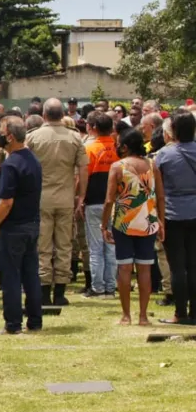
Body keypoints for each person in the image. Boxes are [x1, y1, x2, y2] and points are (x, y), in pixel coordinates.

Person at [25, 98, 89, 306]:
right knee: (64, 245)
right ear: (63, 115)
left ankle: (44, 290)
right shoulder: (75, 138)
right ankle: (60, 292)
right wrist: (81, 196)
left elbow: (24, 167)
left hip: (40, 199)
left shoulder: (33, 137)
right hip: (65, 198)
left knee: (42, 245)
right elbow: (83, 169)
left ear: (44, 115)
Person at [102, 128, 164, 326]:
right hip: (147, 221)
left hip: (123, 222)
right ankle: (143, 316)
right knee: (145, 269)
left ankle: (126, 315)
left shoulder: (117, 167)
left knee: (125, 268)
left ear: (126, 146)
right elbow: (160, 196)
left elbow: (109, 200)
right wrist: (161, 220)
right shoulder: (152, 165)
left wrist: (104, 225)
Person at [0, 116, 44, 334]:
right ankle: (35, 320)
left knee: (10, 276)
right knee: (30, 274)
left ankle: (13, 324)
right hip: (31, 224)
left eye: (2, 131)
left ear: (10, 136)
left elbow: (6, 201)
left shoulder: (11, 164)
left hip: (13, 227)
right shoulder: (32, 159)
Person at [152, 111, 196, 324]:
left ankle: (180, 312)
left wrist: (159, 219)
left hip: (173, 213)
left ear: (172, 131)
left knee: (177, 266)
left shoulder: (163, 156)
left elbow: (158, 193)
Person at [84, 111, 119, 298]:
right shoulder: (118, 148)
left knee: (96, 247)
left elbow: (84, 177)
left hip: (94, 202)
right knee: (111, 246)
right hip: (115, 203)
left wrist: (80, 198)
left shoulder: (89, 148)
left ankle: (97, 287)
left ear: (94, 127)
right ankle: (110, 287)